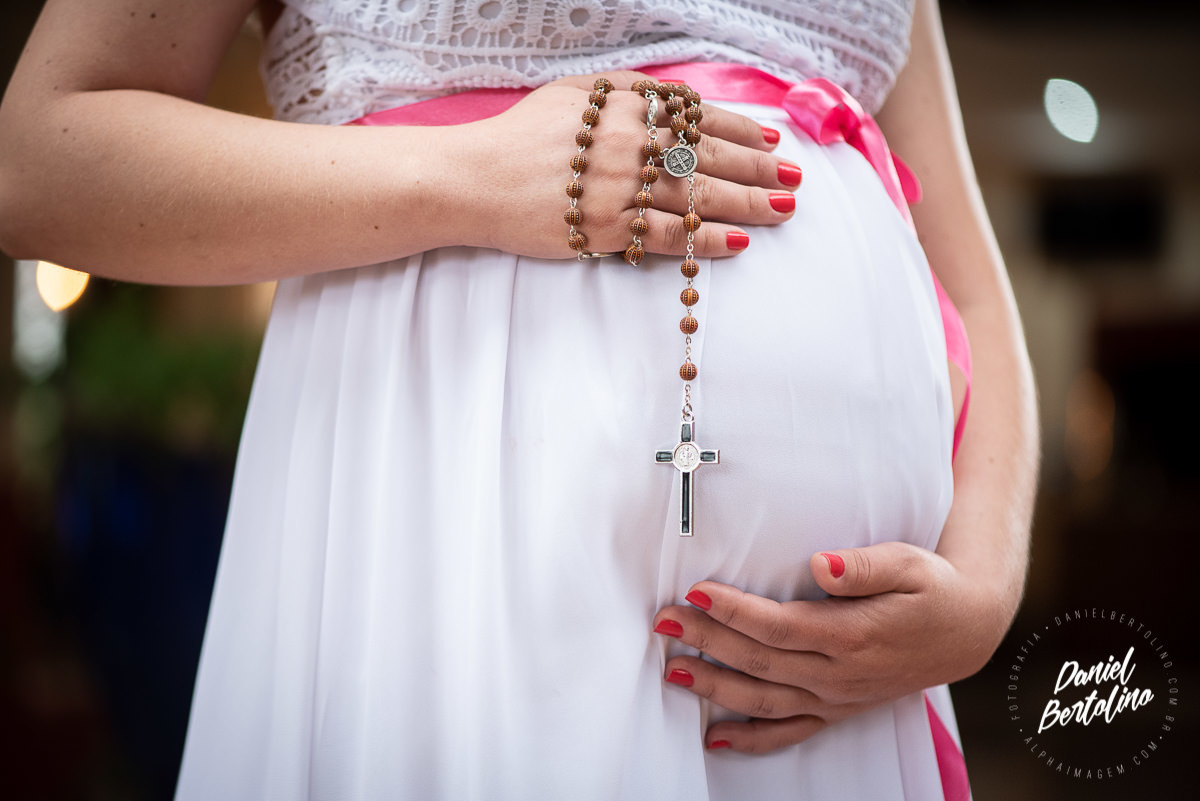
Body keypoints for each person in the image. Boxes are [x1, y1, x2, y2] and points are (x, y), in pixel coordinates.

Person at [0, 0, 1038, 798]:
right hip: (456, 553)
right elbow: (36, 160)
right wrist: (472, 176)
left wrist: (984, 588)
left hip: (838, 686)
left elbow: (975, 282)